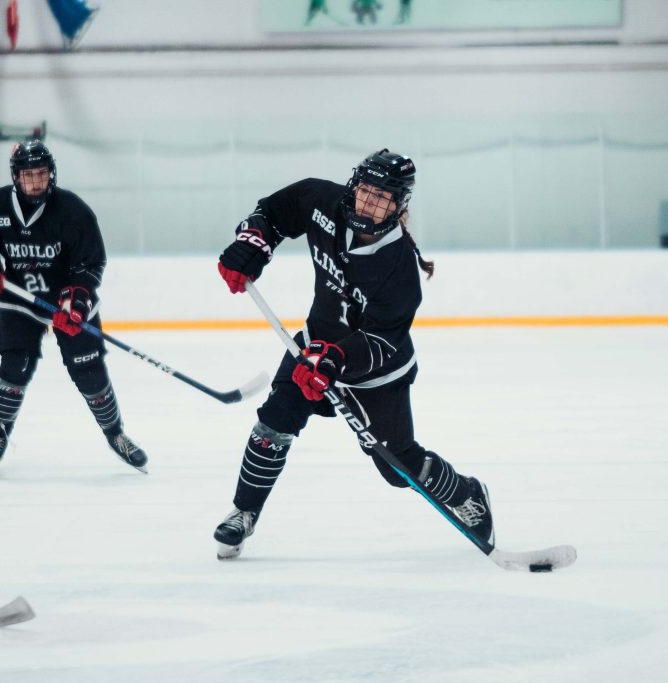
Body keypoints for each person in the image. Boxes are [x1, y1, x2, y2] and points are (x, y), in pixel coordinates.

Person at [212, 149, 494, 559]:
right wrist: (252, 244)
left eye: (382, 198)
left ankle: (468, 493)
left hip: (375, 375)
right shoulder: (322, 202)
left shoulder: (399, 270)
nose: (369, 202)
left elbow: (382, 341)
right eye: (365, 190)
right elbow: (272, 214)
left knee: (398, 468)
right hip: (312, 346)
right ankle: (243, 512)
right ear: (354, 185)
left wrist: (334, 361)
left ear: (398, 207)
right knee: (273, 423)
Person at [0, 139, 148, 478]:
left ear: (52, 174)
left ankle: (115, 434)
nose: (36, 181)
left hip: (67, 301)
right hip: (21, 301)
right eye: (29, 175)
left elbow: (92, 263)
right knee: (15, 366)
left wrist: (76, 300)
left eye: (42, 174)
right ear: (16, 177)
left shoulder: (74, 212)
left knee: (88, 372)